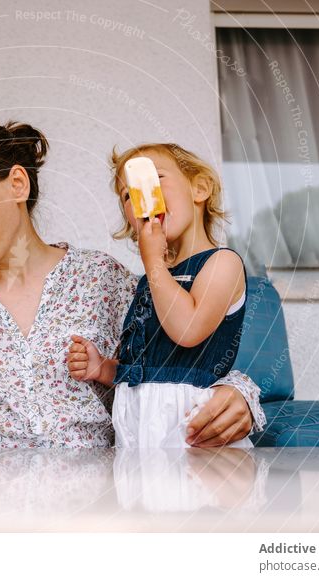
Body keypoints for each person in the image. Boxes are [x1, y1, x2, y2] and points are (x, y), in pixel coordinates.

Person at [0, 121, 263, 450]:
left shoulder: (104, 279)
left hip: (100, 504)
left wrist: (239, 393)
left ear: (17, 185)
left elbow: (179, 353)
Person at [68, 143, 255, 447]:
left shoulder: (222, 263)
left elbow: (188, 330)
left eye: (153, 179)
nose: (139, 195)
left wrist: (154, 263)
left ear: (200, 189)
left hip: (190, 424)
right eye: (128, 195)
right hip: (137, 426)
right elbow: (146, 366)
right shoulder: (150, 282)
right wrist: (102, 368)